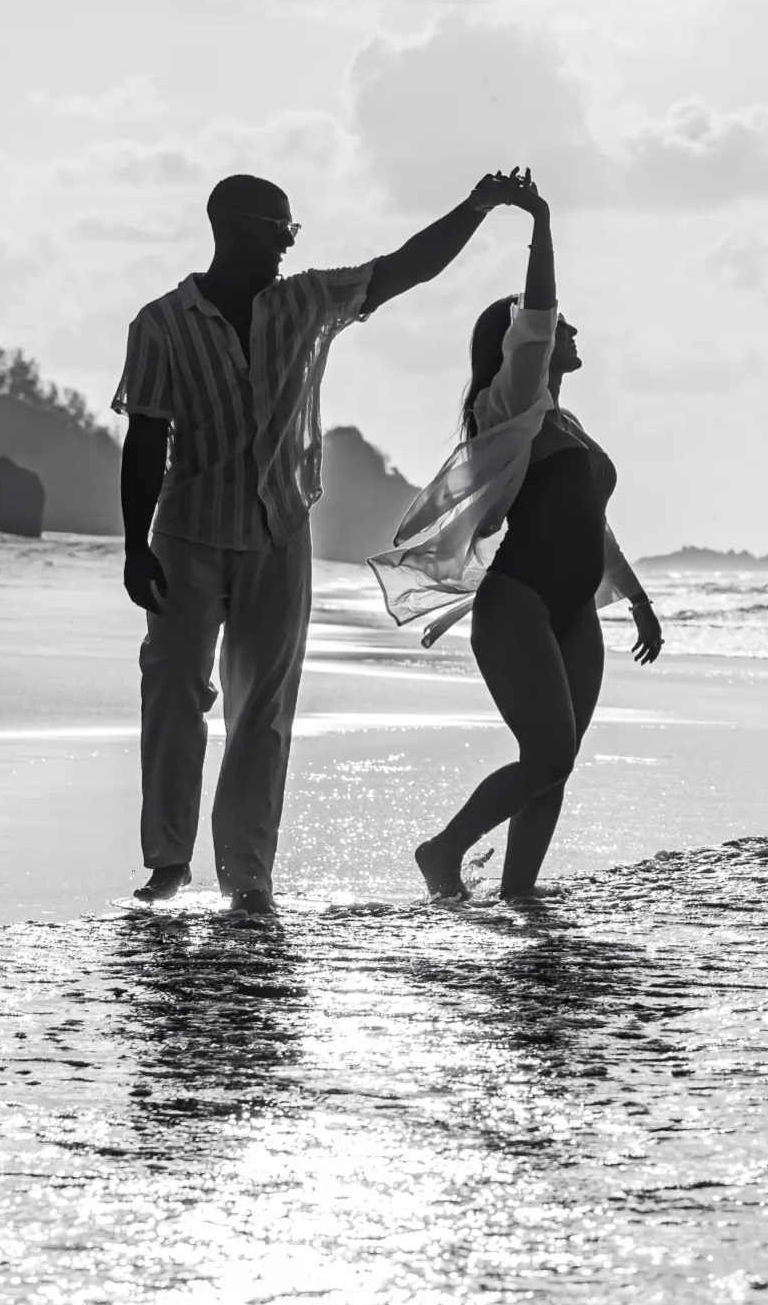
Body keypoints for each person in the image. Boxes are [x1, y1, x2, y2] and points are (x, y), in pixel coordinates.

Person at [114, 167, 533, 914]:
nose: (288, 243)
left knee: (263, 710)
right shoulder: (161, 324)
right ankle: (169, 861)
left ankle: (247, 875)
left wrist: (477, 206)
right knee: (174, 692)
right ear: (231, 228)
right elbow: (146, 436)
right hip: (186, 534)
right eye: (278, 229)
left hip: (279, 530)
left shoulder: (305, 302)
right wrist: (133, 544)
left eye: (292, 231)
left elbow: (405, 268)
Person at [367, 168, 662, 902]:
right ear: (525, 348)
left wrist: (637, 598)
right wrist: (540, 221)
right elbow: (535, 317)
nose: (569, 329)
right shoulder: (511, 405)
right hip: (519, 604)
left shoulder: (565, 423)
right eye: (560, 327)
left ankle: (519, 894)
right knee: (549, 752)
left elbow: (591, 520)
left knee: (556, 765)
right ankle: (442, 850)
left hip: (575, 611)